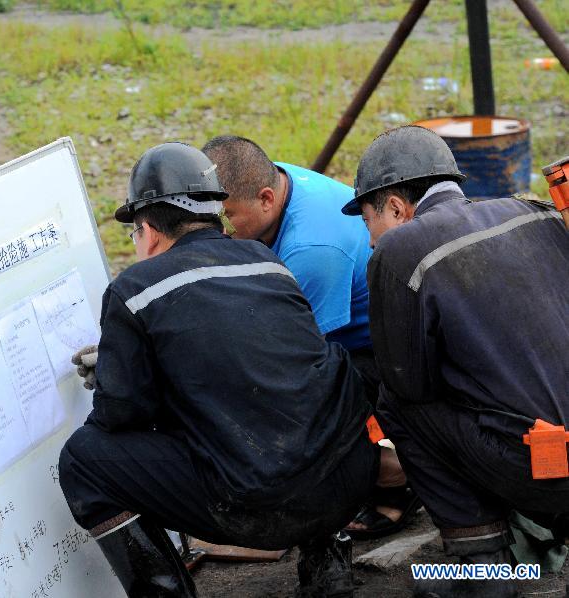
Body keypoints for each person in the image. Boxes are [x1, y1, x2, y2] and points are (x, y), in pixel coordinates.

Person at [58, 142, 378, 597]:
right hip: (346, 488)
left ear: (146, 230)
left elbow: (121, 415)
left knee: (84, 459)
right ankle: (328, 568)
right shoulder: (269, 262)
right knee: (298, 396)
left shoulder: (134, 290)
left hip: (259, 509)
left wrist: (119, 368)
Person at [341, 125, 569, 597]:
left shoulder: (400, 251)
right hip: (553, 451)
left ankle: (484, 569)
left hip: (547, 466)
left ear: (397, 207)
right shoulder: (533, 211)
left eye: (368, 223)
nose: (369, 241)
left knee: (399, 404)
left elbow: (409, 383)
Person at [201, 136, 416, 539]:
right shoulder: (269, 178)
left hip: (380, 347)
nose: (219, 230)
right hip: (337, 326)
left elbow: (297, 361)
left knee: (282, 397)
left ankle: (394, 472)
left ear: (266, 198)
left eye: (227, 217)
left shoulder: (311, 250)